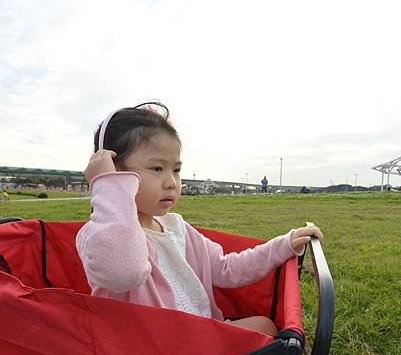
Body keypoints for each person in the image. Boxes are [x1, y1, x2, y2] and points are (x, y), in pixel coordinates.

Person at [76, 102, 323, 336]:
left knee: (264, 326)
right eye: (157, 169)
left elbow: (226, 268)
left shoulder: (175, 227)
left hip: (199, 339)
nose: (171, 182)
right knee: (265, 334)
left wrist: (285, 244)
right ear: (116, 172)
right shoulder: (100, 235)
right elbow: (123, 273)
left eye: (176, 169)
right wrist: (108, 186)